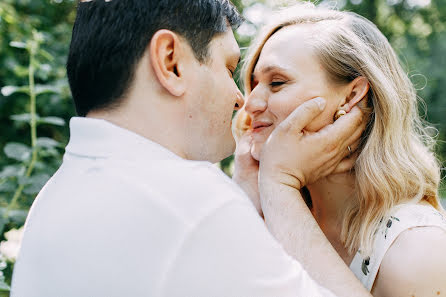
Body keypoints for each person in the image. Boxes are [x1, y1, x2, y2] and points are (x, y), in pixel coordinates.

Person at [11, 1, 370, 297]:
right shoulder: (190, 200)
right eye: (229, 68)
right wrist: (280, 184)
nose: (241, 99)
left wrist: (244, 190)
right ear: (171, 61)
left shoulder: (57, 194)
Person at [234, 3, 446, 297]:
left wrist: (279, 183)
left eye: (277, 82)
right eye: (253, 84)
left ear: (351, 96)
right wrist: (249, 196)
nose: (250, 104)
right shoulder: (258, 207)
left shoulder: (419, 252)